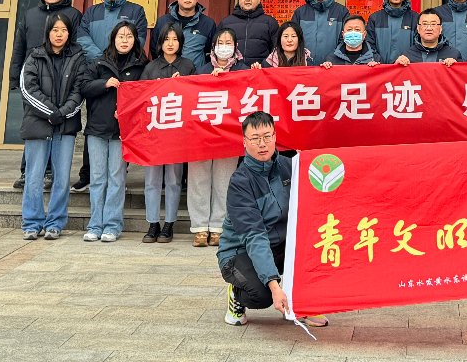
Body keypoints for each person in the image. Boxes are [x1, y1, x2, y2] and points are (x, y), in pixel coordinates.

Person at [219, 111, 328, 329]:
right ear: (244, 142)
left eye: (267, 137)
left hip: (279, 244)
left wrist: (311, 163)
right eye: (255, 139)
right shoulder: (240, 182)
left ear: (275, 137)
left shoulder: (289, 166)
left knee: (322, 245)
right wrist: (275, 286)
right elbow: (254, 236)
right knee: (262, 295)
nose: (262, 144)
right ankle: (237, 295)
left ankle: (302, 305)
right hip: (240, 251)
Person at [74, 0, 149, 191]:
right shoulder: (92, 12)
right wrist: (105, 59)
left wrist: (114, 59)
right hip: (98, 72)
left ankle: (120, 175)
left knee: (123, 126)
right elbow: (82, 38)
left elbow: (138, 39)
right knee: (94, 126)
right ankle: (87, 173)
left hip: (126, 74)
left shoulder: (136, 11)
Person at [19, 10, 88, 241]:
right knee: (34, 176)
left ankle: (55, 223)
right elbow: (28, 89)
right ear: (48, 32)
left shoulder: (78, 57)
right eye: (55, 30)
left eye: (64, 30)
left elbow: (80, 90)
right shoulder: (34, 56)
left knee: (61, 178)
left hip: (65, 127)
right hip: (38, 125)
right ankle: (32, 223)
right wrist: (51, 113)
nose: (59, 34)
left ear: (70, 33)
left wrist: (62, 113)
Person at [9, 0, 79, 192]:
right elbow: (19, 47)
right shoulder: (30, 15)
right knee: (34, 125)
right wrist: (15, 76)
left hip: (61, 80)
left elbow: (77, 47)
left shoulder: (73, 15)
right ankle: (27, 171)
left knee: (56, 124)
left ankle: (49, 171)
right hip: (33, 81)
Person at [80, 21, 146, 243]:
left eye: (129, 36)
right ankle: (94, 225)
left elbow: (145, 97)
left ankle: (112, 225)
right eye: (120, 36)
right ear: (113, 39)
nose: (124, 40)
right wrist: (104, 84)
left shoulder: (141, 66)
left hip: (122, 131)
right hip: (97, 129)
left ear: (135, 40)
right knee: (97, 178)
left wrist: (128, 113)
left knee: (117, 178)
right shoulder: (99, 62)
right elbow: (84, 87)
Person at [190, 27, 249, 248]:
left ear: (236, 47)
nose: (224, 47)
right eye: (220, 43)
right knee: (198, 179)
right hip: (202, 135)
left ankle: (218, 227)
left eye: (229, 43)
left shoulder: (243, 70)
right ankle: (199, 227)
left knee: (224, 181)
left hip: (229, 135)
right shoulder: (201, 70)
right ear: (213, 47)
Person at [139, 25, 194, 243]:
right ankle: (152, 223)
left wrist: (182, 85)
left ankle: (169, 223)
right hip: (154, 133)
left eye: (175, 39)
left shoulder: (188, 66)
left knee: (173, 179)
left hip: (177, 133)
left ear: (181, 43)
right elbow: (140, 97)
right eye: (166, 39)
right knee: (152, 180)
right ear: (160, 43)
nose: (170, 44)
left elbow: (195, 97)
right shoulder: (151, 67)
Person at [150, 0, 216, 69]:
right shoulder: (163, 21)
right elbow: (155, 49)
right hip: (166, 74)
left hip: (195, 74)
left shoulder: (208, 24)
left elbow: (211, 52)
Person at [292, 0, 349, 65]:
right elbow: (292, 40)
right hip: (304, 67)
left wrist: (331, 60)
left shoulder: (342, 12)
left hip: (332, 67)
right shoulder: (300, 13)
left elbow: (345, 42)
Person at [221, 0, 281, 64]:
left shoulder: (270, 23)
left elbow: (276, 51)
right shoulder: (226, 23)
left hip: (260, 70)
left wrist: (265, 66)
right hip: (232, 70)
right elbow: (216, 49)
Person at [365, 0, 419, 64]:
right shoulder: (375, 18)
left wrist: (404, 60)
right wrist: (382, 64)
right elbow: (369, 45)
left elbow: (418, 46)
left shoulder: (415, 18)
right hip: (381, 68)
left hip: (406, 67)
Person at [397, 8, 461, 64]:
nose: (429, 28)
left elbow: (461, 73)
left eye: (433, 24)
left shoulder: (452, 55)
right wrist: (397, 66)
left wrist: (455, 67)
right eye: (425, 24)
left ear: (440, 29)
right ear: (418, 28)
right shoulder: (408, 55)